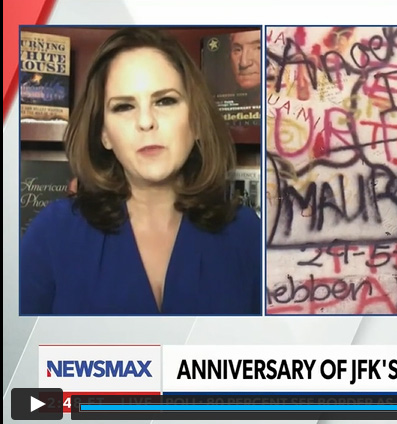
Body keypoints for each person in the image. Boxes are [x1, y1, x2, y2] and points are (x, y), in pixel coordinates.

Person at [19, 28, 261, 315]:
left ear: (195, 120)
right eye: (123, 106)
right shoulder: (52, 234)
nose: (146, 122)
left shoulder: (247, 235)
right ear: (104, 134)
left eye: (165, 101)